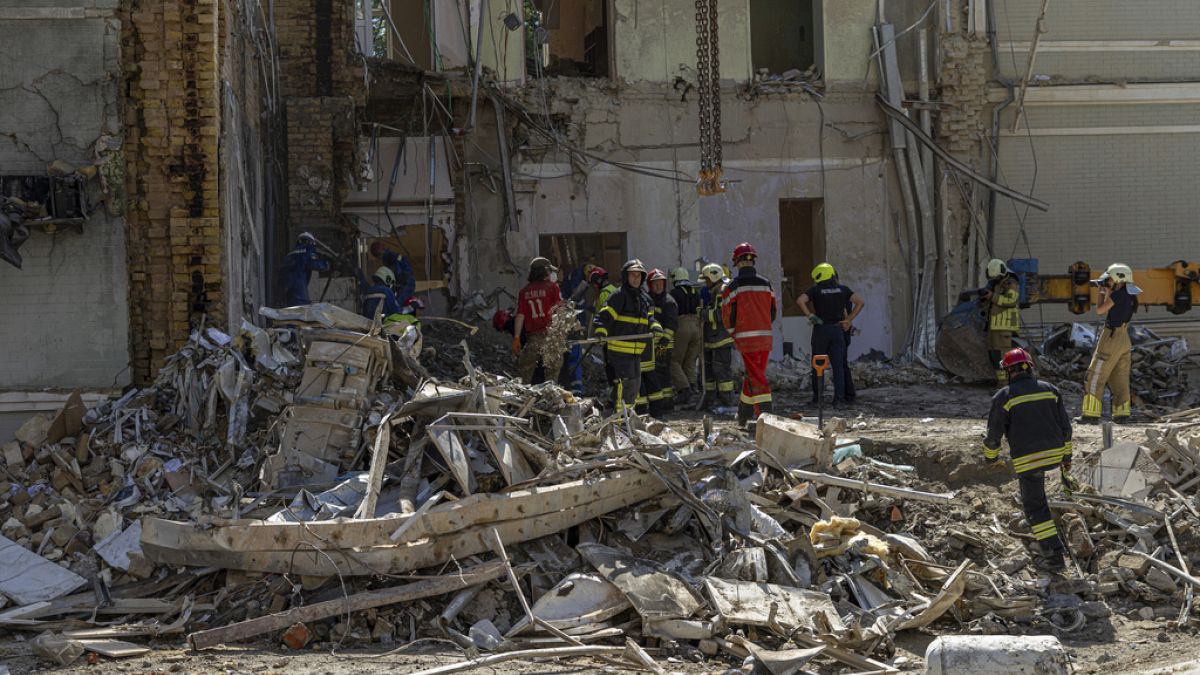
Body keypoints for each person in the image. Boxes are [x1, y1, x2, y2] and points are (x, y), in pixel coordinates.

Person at [984, 348, 1073, 573]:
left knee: (1036, 508)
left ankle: (1054, 557)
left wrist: (990, 458)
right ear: (1030, 367)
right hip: (1054, 453)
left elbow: (993, 433)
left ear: (1008, 371)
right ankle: (1047, 534)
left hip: (1029, 458)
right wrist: (1066, 458)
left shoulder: (1004, 396)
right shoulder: (1051, 390)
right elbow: (1066, 427)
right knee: (1038, 498)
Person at [594, 259, 660, 415]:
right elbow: (603, 317)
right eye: (632, 275)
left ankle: (617, 414)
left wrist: (656, 327)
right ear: (626, 277)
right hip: (620, 350)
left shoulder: (643, 298)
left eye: (639, 276)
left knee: (634, 385)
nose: (636, 279)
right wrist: (600, 331)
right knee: (627, 384)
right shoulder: (619, 296)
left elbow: (649, 318)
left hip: (636, 351)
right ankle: (621, 420)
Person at [721, 243, 777, 425]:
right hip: (765, 337)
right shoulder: (766, 283)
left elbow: (726, 314)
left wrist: (733, 333)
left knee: (756, 376)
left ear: (736, 261)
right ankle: (744, 414)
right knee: (754, 373)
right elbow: (773, 311)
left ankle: (766, 417)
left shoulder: (733, 286)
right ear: (753, 260)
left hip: (746, 340)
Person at [1078, 263, 1139, 424]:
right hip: (1124, 338)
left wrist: (1102, 293)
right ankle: (1122, 415)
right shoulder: (1130, 294)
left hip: (1111, 338)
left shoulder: (1117, 295)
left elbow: (1099, 310)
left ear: (1119, 278)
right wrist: (1109, 290)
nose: (1108, 282)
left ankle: (1090, 415)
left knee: (1095, 375)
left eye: (1110, 279)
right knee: (1119, 377)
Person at [797, 263, 863, 407]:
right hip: (837, 330)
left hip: (821, 330)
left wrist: (810, 316)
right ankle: (839, 400)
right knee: (838, 366)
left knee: (817, 365)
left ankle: (817, 399)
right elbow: (860, 302)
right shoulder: (843, 289)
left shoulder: (815, 290)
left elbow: (800, 300)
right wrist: (848, 320)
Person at [513, 257, 564, 384]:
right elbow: (560, 310)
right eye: (549, 271)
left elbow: (520, 315)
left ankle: (522, 400)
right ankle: (551, 399)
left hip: (533, 339)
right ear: (545, 271)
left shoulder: (524, 291)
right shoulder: (553, 287)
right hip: (551, 337)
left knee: (524, 374)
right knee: (552, 375)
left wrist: (517, 338)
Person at [699, 263, 735, 410]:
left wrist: (702, 314)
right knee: (710, 372)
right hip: (712, 338)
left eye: (707, 279)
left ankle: (727, 401)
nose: (706, 283)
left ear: (713, 277)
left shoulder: (722, 290)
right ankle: (710, 400)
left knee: (721, 371)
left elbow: (721, 315)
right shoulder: (717, 289)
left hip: (721, 338)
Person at [982, 259, 1022, 385]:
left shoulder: (1011, 284)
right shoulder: (997, 284)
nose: (995, 280)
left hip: (1005, 327)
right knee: (995, 357)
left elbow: (1011, 301)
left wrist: (992, 296)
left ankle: (1006, 385)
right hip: (994, 326)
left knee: (1003, 357)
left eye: (997, 277)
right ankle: (1002, 383)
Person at [645, 269, 678, 417]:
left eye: (660, 284)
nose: (658, 287)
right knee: (655, 373)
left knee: (662, 373)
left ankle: (667, 402)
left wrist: (664, 340)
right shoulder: (649, 299)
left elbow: (672, 324)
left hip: (664, 344)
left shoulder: (668, 301)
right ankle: (659, 402)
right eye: (655, 284)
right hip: (652, 344)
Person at [669, 267, 703, 405]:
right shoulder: (695, 292)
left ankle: (684, 389)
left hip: (682, 325)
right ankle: (693, 387)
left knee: (673, 361)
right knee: (690, 360)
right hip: (697, 326)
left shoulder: (673, 293)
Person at [280, 232, 330, 306]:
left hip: (284, 287)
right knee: (302, 310)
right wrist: (327, 265)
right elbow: (313, 263)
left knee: (289, 310)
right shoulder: (308, 249)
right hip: (298, 287)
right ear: (311, 242)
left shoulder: (290, 254)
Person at [369, 242, 416, 306]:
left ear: (379, 254)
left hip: (405, 283)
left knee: (397, 304)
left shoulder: (388, 257)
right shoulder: (392, 255)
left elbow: (397, 270)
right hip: (407, 282)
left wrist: (397, 281)